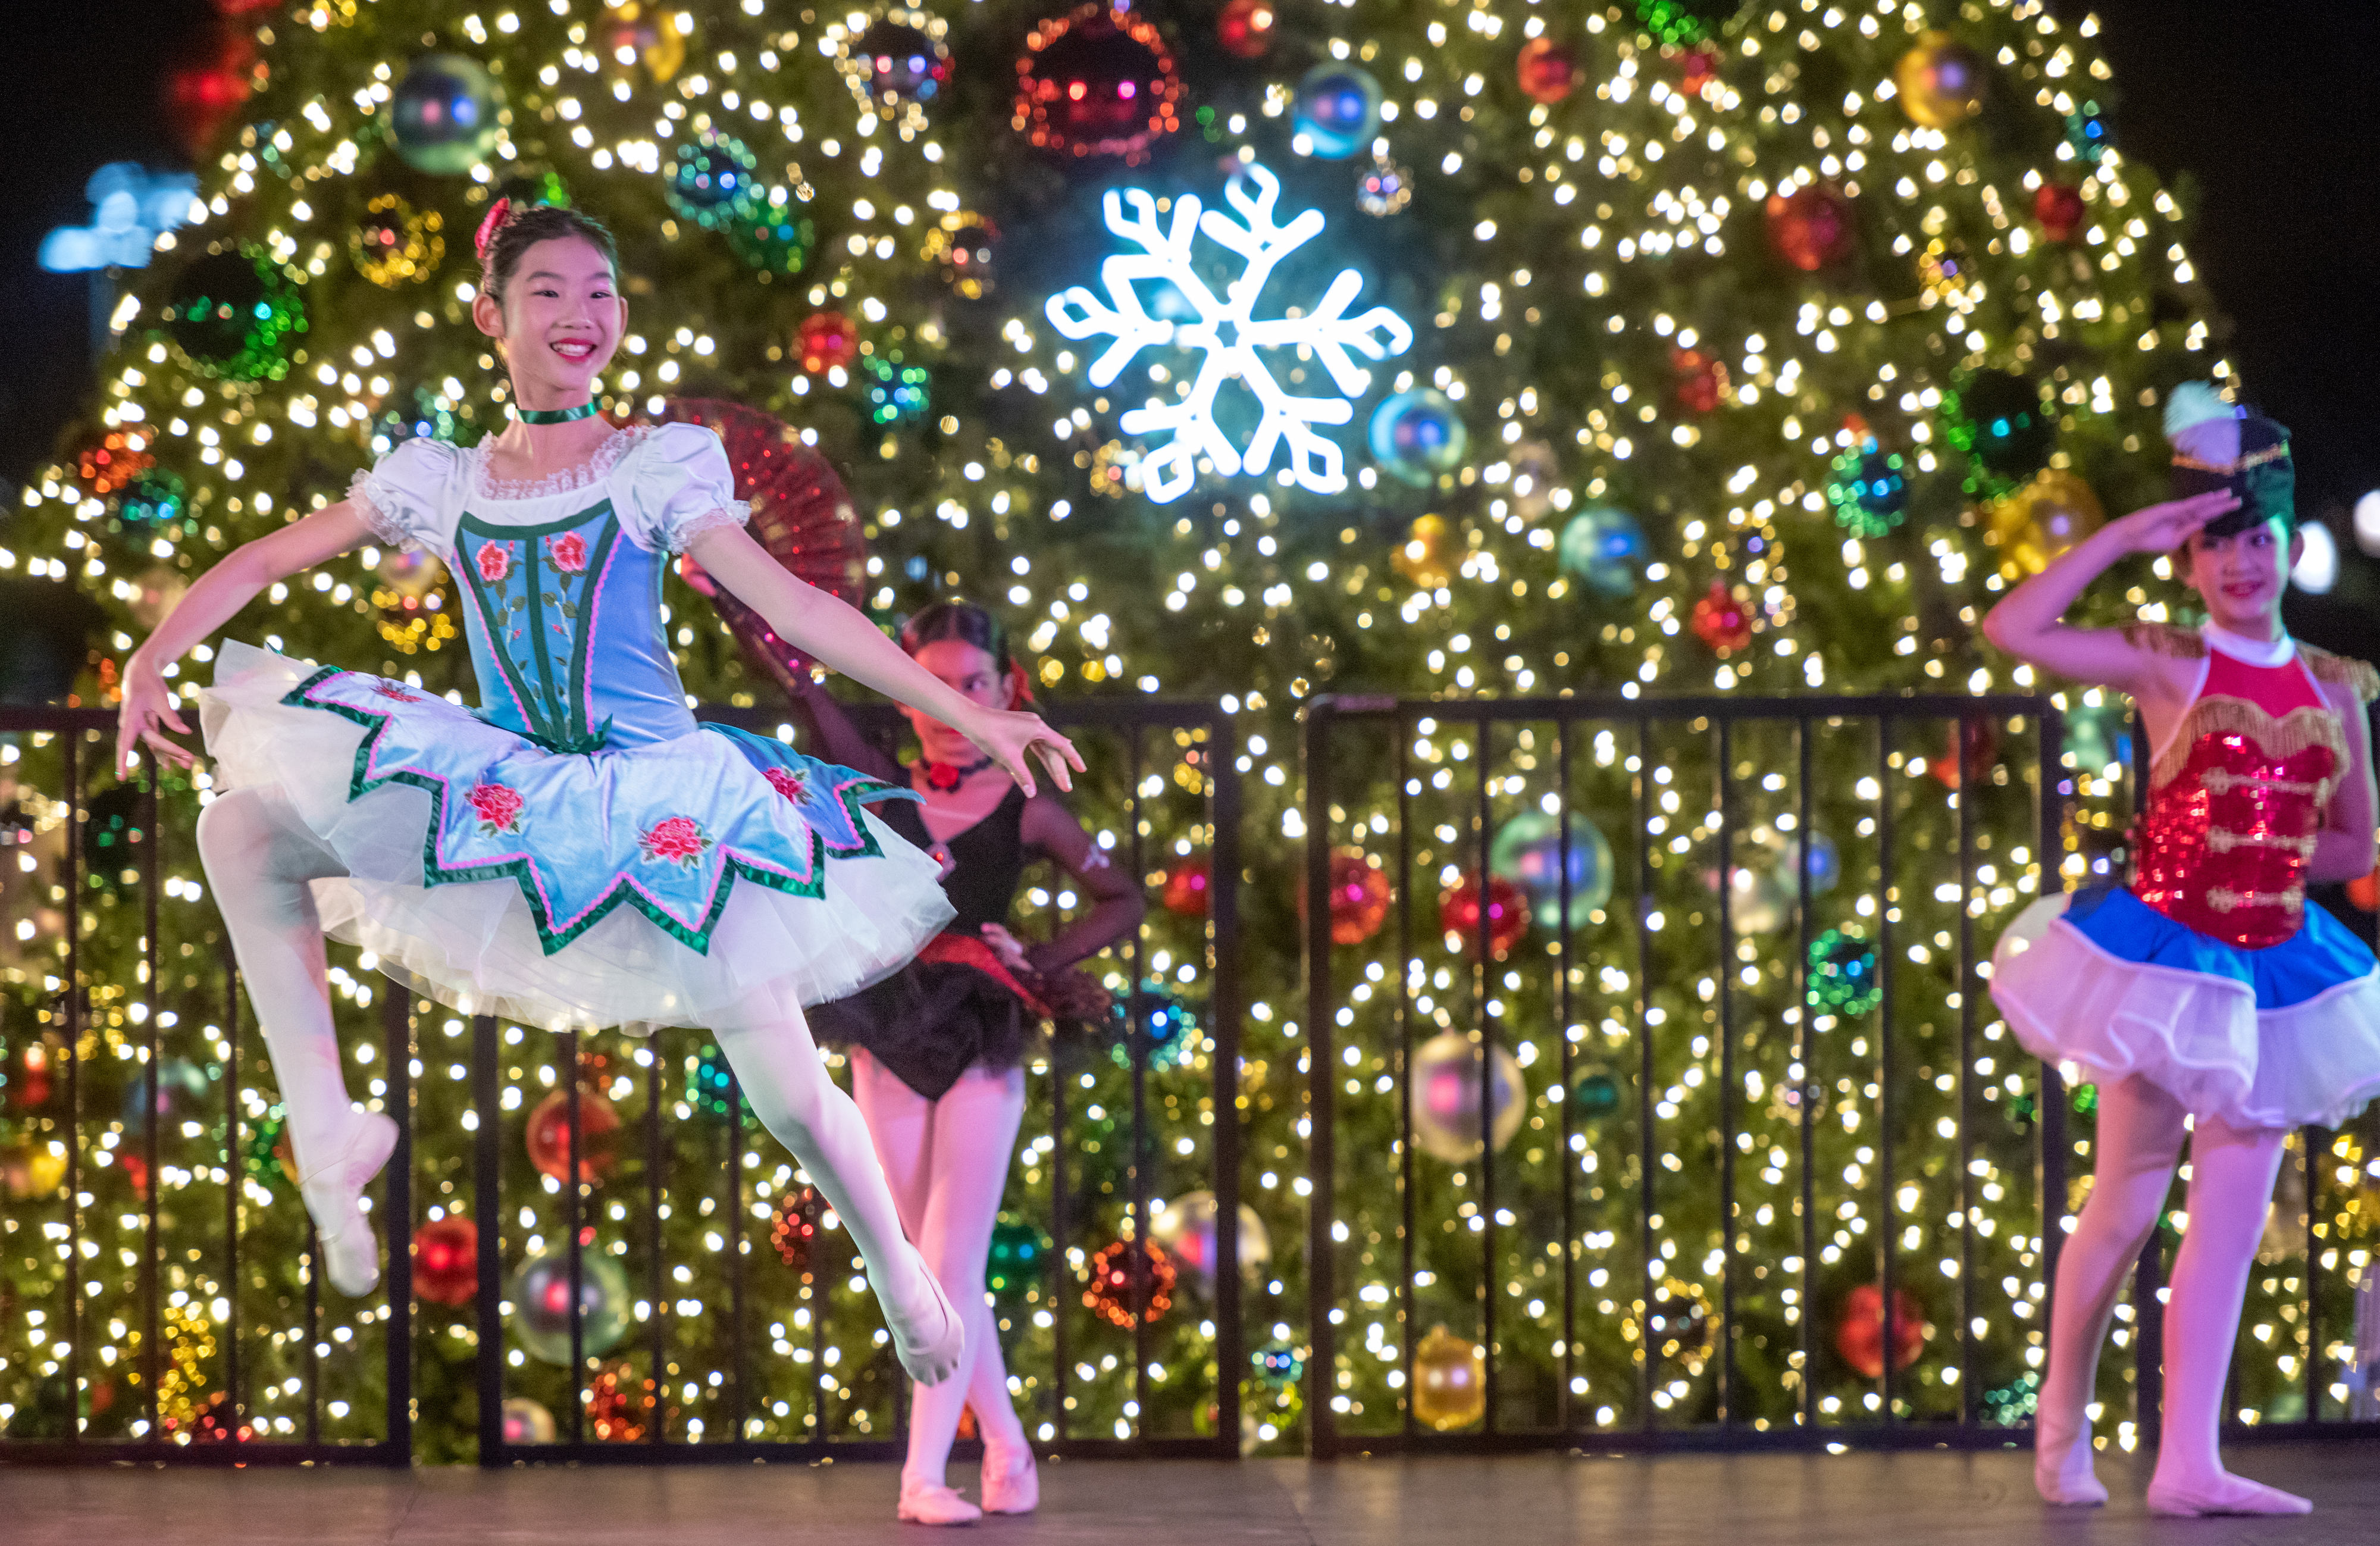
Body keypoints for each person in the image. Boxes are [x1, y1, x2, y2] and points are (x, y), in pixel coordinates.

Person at [110, 201, 1085, 1392]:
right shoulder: (443, 480)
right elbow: (267, 556)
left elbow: (794, 606)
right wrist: (153, 655)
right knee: (239, 825)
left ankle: (897, 1267)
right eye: (548, 291)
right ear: (490, 316)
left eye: (599, 292)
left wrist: (974, 716)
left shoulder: (650, 468)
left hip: (666, 803)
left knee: (788, 1094)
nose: (580, 313)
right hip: (515, 789)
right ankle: (326, 1134)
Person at [1983, 383, 2380, 1517]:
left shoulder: (2335, 686)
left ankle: (2188, 1463)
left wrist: (2268, 864)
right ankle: (2062, 1424)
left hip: (2274, 969)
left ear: (2286, 546)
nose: (2242, 564)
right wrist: (2122, 535)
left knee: (2235, 1219)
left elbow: (2354, 840)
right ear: (2190, 563)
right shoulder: (2168, 661)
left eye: (2258, 540)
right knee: (2126, 1202)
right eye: (2217, 545)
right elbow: (2014, 629)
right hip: (2168, 962)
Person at [791, 600, 1144, 1523]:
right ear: (902, 693)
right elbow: (804, 686)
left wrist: (1042, 959)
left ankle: (923, 1475)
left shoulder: (1030, 806)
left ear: (1007, 690)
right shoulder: (878, 783)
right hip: (888, 1024)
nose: (954, 702)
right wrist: (741, 600)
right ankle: (1010, 1448)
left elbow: (1122, 897)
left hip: (983, 1026)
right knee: (921, 1259)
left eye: (974, 684)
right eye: (932, 684)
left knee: (952, 1257)